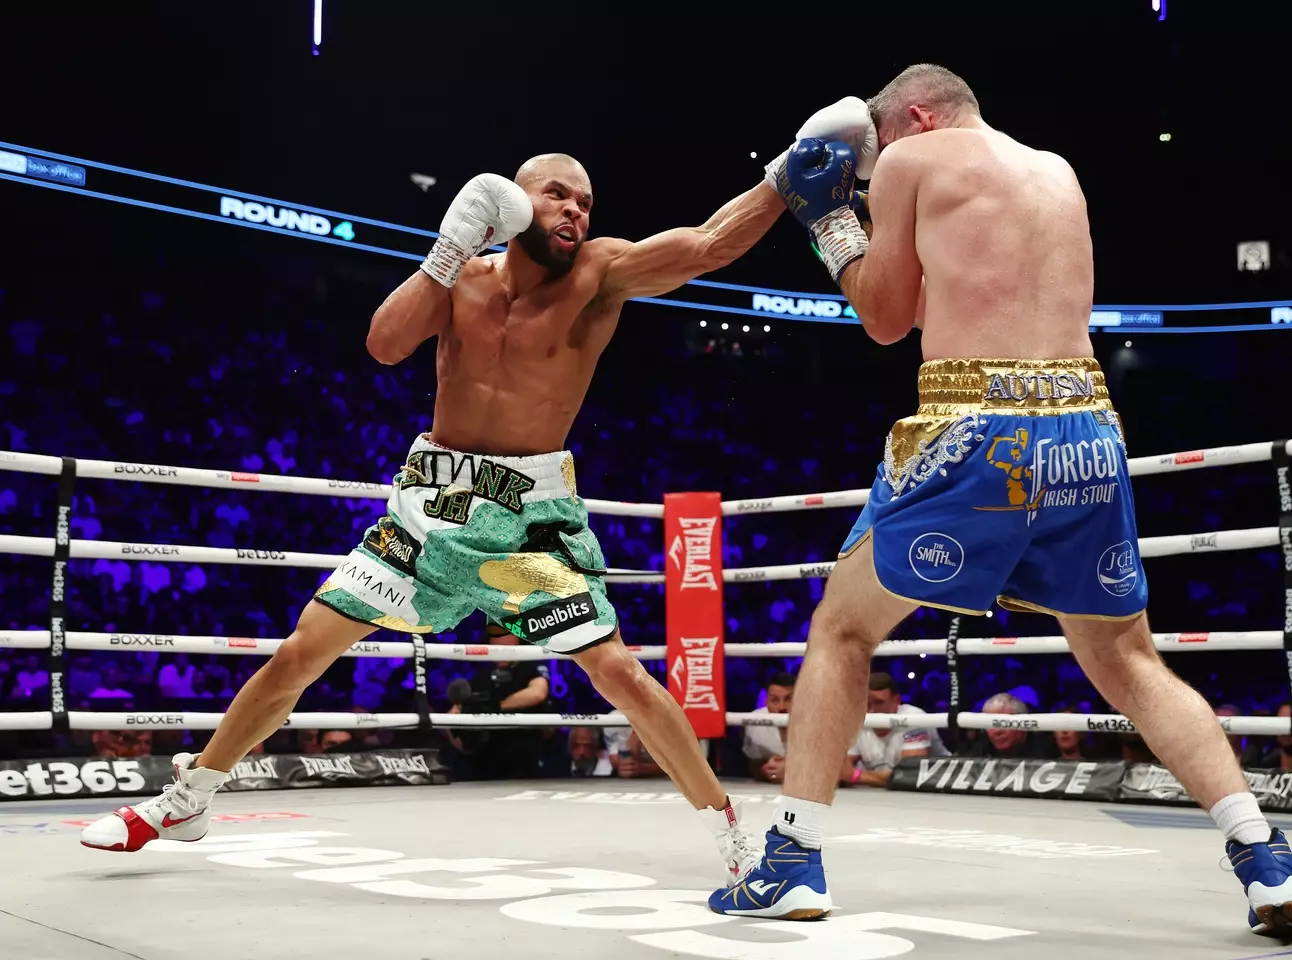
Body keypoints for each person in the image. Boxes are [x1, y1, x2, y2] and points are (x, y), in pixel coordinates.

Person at [79, 97, 878, 889]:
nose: (574, 209)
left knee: (618, 672)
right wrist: (446, 246)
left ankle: (731, 832)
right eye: (558, 193)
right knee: (300, 652)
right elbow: (385, 345)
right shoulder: (461, 276)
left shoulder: (598, 274)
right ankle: (189, 800)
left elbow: (703, 246)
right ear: (514, 197)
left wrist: (781, 177)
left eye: (586, 201)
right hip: (430, 509)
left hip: (529, 528)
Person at [712, 64, 1292, 937]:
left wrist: (832, 222)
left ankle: (792, 862)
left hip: (976, 425)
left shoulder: (914, 162)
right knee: (1128, 662)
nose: (877, 166)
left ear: (915, 117)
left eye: (881, 147)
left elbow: (884, 318)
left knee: (843, 629)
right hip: (1088, 429)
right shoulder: (1056, 169)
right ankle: (1263, 858)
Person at [840, 672, 946, 787]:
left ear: (896, 700)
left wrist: (856, 776)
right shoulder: (859, 720)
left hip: (942, 787)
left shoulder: (913, 718)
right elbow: (840, 771)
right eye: (866, 704)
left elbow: (908, 775)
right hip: (884, 794)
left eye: (879, 702)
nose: (872, 710)